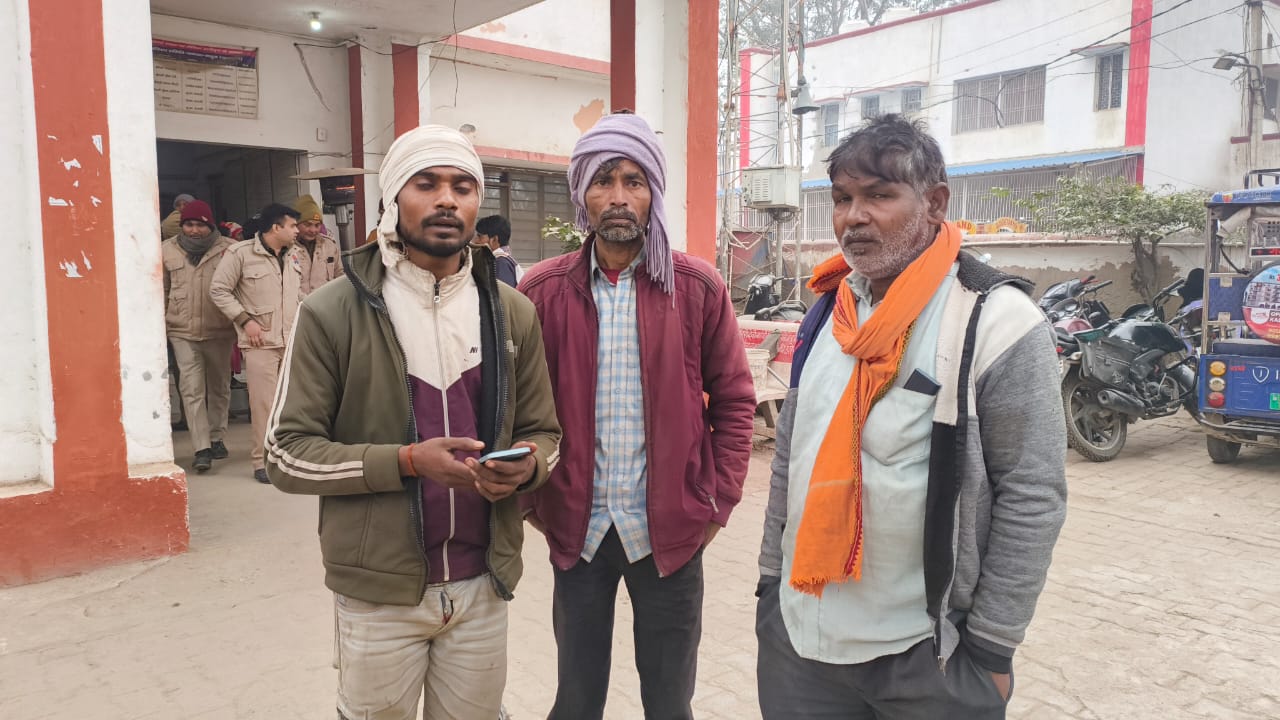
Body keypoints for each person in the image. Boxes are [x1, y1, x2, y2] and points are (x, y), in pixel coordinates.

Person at [756, 114, 1068, 719]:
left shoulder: (995, 321)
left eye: (879, 195)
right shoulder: (829, 315)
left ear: (935, 203)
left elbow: (1032, 494)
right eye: (841, 199)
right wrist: (771, 583)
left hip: (929, 656)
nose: (853, 217)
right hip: (800, 639)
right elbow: (790, 458)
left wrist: (991, 647)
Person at [264, 125, 562, 720]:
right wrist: (404, 461)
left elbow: (546, 434)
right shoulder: (331, 312)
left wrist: (526, 468)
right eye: (426, 184)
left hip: (482, 584)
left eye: (462, 187)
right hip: (379, 593)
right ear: (393, 197)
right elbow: (286, 454)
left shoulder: (512, 312)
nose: (447, 200)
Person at [519, 111, 757, 720]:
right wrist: (531, 502)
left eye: (634, 180)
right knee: (576, 700)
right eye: (603, 181)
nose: (619, 196)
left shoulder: (697, 287)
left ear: (654, 191)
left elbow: (734, 400)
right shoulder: (541, 292)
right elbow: (513, 405)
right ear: (582, 194)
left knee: (669, 702)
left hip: (671, 532)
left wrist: (718, 502)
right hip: (579, 531)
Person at [209, 203, 302, 484]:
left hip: (291, 339)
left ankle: (286, 455)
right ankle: (262, 461)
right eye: (292, 226)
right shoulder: (241, 253)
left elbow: (297, 294)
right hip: (260, 341)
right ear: (276, 227)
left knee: (290, 405)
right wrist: (245, 320)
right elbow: (219, 290)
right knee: (264, 405)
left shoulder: (293, 254)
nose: (297, 231)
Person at [161, 200, 236, 473]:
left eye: (200, 225)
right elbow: (162, 290)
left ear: (210, 225)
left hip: (219, 329)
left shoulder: (229, 250)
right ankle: (201, 448)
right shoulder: (166, 250)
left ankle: (216, 437)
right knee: (191, 389)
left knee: (219, 387)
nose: (194, 230)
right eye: (189, 225)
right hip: (182, 330)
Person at [292, 194, 345, 295]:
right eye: (307, 224)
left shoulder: (329, 245)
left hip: (326, 302)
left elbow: (340, 276)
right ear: (296, 224)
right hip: (300, 304)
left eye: (317, 225)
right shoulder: (287, 249)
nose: (313, 230)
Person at [474, 214, 523, 286]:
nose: (476, 241)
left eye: (480, 237)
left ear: (494, 239)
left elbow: (501, 292)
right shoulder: (503, 261)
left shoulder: (500, 263)